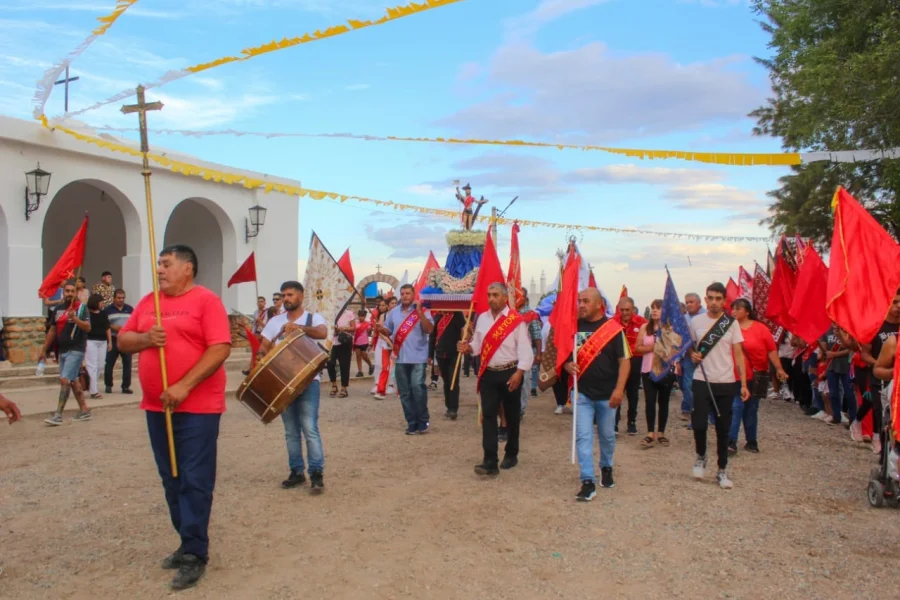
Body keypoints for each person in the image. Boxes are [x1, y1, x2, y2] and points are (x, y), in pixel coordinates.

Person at [116, 245, 232, 591]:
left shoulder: (206, 301)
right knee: (171, 478)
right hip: (156, 406)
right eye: (159, 264)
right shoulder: (149, 302)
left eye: (167, 264)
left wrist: (184, 385)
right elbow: (123, 341)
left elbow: (220, 347)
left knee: (195, 479)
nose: (160, 270)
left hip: (197, 408)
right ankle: (186, 540)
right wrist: (145, 338)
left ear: (188, 268)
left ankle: (196, 552)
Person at [257, 281, 328, 492]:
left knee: (310, 428)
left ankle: (316, 473)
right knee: (290, 431)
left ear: (300, 297)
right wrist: (261, 358)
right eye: (284, 295)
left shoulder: (313, 318)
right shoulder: (274, 322)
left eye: (290, 295)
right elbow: (264, 346)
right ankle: (297, 471)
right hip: (282, 382)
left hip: (308, 381)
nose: (286, 298)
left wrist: (300, 329)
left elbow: (322, 332)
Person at [457, 283, 534, 476]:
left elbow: (525, 350)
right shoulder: (482, 318)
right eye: (489, 295)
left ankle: (511, 453)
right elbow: (477, 345)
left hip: (510, 373)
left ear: (504, 297)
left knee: (512, 416)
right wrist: (468, 347)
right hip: (489, 374)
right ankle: (490, 460)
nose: (491, 298)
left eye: (495, 295)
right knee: (488, 416)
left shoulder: (516, 320)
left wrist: (519, 372)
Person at [564, 289, 630, 499]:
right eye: (579, 301)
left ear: (599, 304)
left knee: (607, 436)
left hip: (607, 395)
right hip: (582, 393)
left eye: (585, 301)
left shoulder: (613, 330)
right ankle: (587, 480)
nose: (581, 305)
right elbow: (564, 357)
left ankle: (607, 466)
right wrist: (567, 365)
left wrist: (619, 389)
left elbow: (625, 362)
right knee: (583, 437)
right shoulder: (573, 327)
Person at [688, 282, 749, 490]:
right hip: (701, 378)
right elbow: (687, 347)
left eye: (718, 298)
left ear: (724, 301)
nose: (713, 302)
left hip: (725, 381)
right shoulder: (696, 322)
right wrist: (692, 355)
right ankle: (701, 456)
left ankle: (722, 469)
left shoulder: (731, 324)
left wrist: (743, 383)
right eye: (710, 298)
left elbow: (739, 355)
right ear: (706, 299)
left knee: (723, 428)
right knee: (698, 422)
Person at [728, 298, 788, 454]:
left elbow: (771, 350)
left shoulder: (761, 329)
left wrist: (779, 368)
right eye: (732, 308)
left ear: (747, 311)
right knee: (736, 407)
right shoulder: (728, 328)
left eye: (737, 308)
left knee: (751, 408)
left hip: (756, 375)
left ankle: (751, 441)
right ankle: (731, 441)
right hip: (733, 375)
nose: (733, 311)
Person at [850, 290, 900, 453]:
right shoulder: (876, 326)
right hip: (880, 376)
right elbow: (865, 353)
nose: (898, 306)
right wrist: (880, 364)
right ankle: (879, 441)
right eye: (895, 302)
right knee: (880, 410)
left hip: (896, 381)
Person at [38, 281, 93, 425]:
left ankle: (58, 415)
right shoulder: (57, 310)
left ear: (76, 293)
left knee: (64, 380)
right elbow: (52, 330)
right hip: (61, 350)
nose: (69, 294)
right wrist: (44, 349)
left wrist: (74, 318)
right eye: (67, 291)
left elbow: (87, 327)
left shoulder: (81, 309)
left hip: (76, 349)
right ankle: (84, 409)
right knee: (73, 381)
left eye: (72, 291)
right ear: (63, 292)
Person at [382, 284, 434, 434]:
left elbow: (429, 329)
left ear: (413, 294)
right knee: (404, 392)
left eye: (408, 293)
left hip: (418, 357)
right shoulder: (393, 313)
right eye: (402, 293)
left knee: (418, 387)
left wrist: (419, 313)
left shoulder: (423, 310)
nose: (405, 296)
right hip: (400, 358)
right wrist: (381, 329)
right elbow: (388, 330)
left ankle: (422, 420)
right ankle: (411, 422)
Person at [634, 299, 677, 449]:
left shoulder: (671, 328)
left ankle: (661, 433)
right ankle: (650, 432)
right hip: (648, 369)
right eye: (652, 308)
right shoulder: (645, 328)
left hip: (665, 370)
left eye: (658, 308)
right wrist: (652, 347)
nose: (654, 311)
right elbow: (638, 348)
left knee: (664, 402)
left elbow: (676, 349)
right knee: (650, 401)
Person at [612, 296, 646, 435]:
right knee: (617, 390)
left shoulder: (642, 323)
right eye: (622, 310)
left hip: (635, 361)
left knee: (633, 393)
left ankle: (632, 422)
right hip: (618, 361)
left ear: (633, 308)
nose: (625, 313)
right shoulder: (612, 323)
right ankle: (614, 422)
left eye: (627, 310)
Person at [429, 310, 466, 420]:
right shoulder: (437, 316)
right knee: (446, 381)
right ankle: (448, 406)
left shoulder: (457, 315)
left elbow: (463, 329)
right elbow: (433, 336)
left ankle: (453, 409)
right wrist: (430, 354)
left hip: (454, 353)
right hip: (440, 353)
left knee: (454, 380)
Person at [819, 323, 855, 427]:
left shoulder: (847, 328)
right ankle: (836, 416)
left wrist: (834, 354)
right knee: (833, 393)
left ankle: (853, 418)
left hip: (846, 365)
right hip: (831, 365)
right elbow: (825, 351)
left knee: (849, 394)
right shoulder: (826, 329)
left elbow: (851, 349)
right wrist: (819, 344)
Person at [679, 292, 705, 421]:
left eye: (691, 302)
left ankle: (706, 412)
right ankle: (693, 410)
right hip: (689, 355)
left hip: (705, 355)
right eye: (687, 302)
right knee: (688, 385)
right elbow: (682, 339)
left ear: (699, 303)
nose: (689, 304)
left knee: (705, 384)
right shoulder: (684, 318)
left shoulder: (706, 316)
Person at [103, 289, 134, 394]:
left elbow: (134, 322)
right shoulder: (108, 310)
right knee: (109, 363)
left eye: (123, 298)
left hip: (126, 339)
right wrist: (113, 327)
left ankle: (125, 386)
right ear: (114, 298)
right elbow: (103, 324)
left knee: (127, 363)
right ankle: (108, 385)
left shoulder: (129, 309)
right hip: (113, 339)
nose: (121, 300)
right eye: (119, 298)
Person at [84, 293, 112, 399]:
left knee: (100, 365)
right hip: (90, 341)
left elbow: (107, 328)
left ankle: (92, 386)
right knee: (92, 365)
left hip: (102, 342)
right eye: (101, 302)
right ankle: (94, 390)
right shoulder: (87, 314)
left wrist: (109, 342)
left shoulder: (103, 314)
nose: (102, 304)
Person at [327, 308, 355, 398]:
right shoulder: (330, 313)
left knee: (344, 364)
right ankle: (334, 384)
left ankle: (344, 387)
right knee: (330, 363)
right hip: (332, 342)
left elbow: (354, 328)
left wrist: (344, 328)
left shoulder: (349, 313)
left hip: (345, 342)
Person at [353, 309, 374, 377]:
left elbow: (369, 330)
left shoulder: (367, 324)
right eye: (360, 316)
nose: (361, 317)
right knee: (358, 356)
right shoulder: (355, 323)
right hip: (356, 342)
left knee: (364, 355)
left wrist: (370, 328)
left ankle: (370, 365)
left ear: (365, 316)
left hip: (364, 342)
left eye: (362, 316)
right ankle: (360, 371)